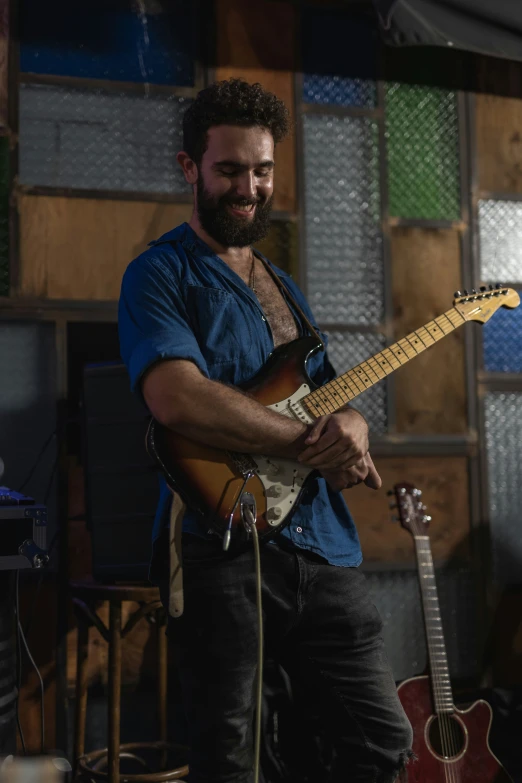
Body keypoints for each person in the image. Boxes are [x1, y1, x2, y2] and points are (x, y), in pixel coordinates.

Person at [118, 78, 413, 783]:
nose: (248, 187)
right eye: (229, 169)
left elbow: (326, 405)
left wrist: (350, 429)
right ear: (190, 166)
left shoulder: (285, 287)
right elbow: (175, 396)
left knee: (382, 738)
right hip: (224, 545)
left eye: (263, 169)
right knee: (234, 759)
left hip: (322, 543)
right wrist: (297, 440)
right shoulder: (158, 274)